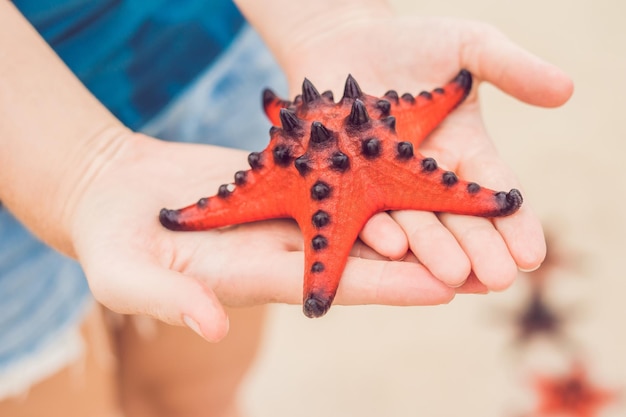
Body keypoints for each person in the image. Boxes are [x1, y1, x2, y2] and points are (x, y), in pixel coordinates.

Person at [0, 0, 573, 415]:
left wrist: (327, 18)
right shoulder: (307, 155)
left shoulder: (311, 132)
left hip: (212, 52)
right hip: (17, 139)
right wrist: (76, 170)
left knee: (194, 393)